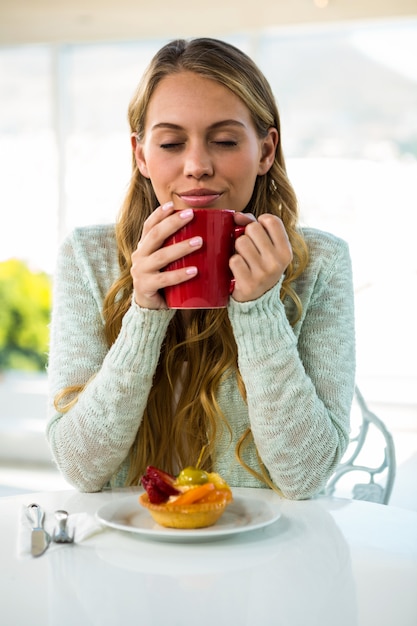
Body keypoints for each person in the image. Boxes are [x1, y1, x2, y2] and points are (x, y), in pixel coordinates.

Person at [47, 37, 355, 498]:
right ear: (141, 155)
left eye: (226, 140)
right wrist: (144, 314)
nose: (197, 166)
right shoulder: (87, 258)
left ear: (266, 151)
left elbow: (305, 476)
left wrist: (259, 312)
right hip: (128, 549)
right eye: (171, 142)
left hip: (264, 552)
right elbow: (80, 467)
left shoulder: (320, 264)